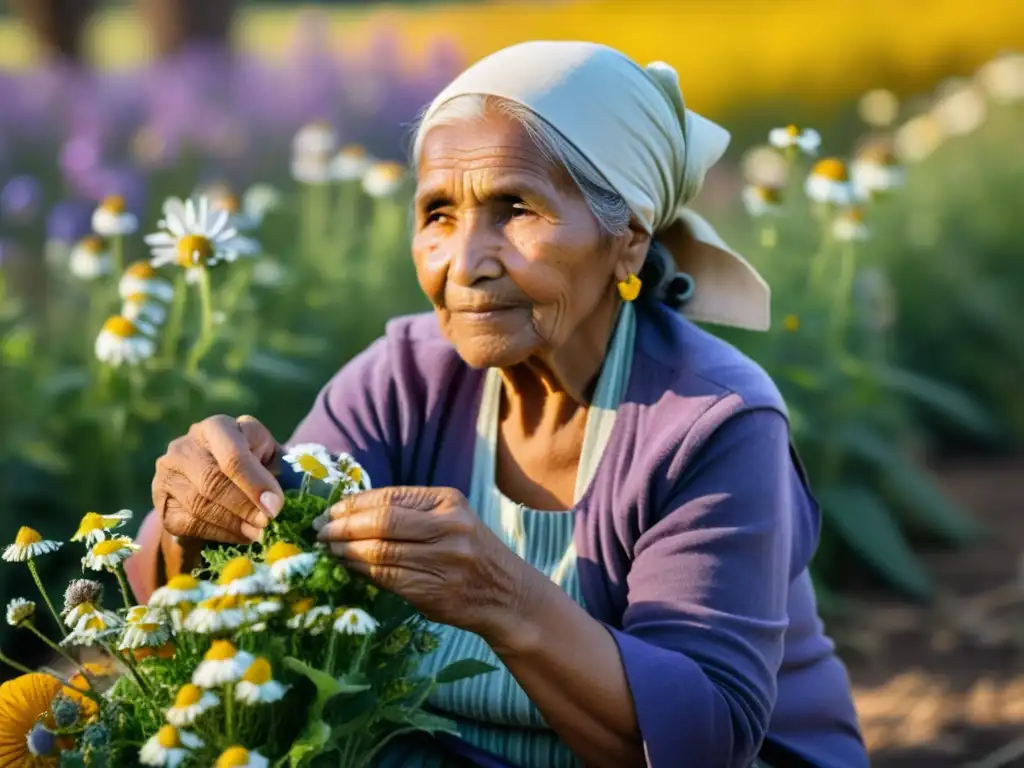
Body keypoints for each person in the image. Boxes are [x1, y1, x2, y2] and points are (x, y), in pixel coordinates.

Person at [127, 41, 868, 768]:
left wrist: (504, 598)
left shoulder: (711, 421)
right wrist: (196, 523)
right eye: (438, 215)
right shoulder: (402, 381)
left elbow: (709, 737)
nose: (466, 264)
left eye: (515, 209)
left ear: (629, 241)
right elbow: (261, 578)